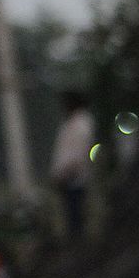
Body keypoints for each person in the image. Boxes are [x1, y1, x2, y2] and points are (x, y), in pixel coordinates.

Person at [50, 90, 95, 240]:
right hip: (68, 179)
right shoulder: (71, 123)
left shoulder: (82, 124)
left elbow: (78, 154)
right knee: (70, 217)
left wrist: (65, 173)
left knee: (76, 217)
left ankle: (79, 244)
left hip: (74, 178)